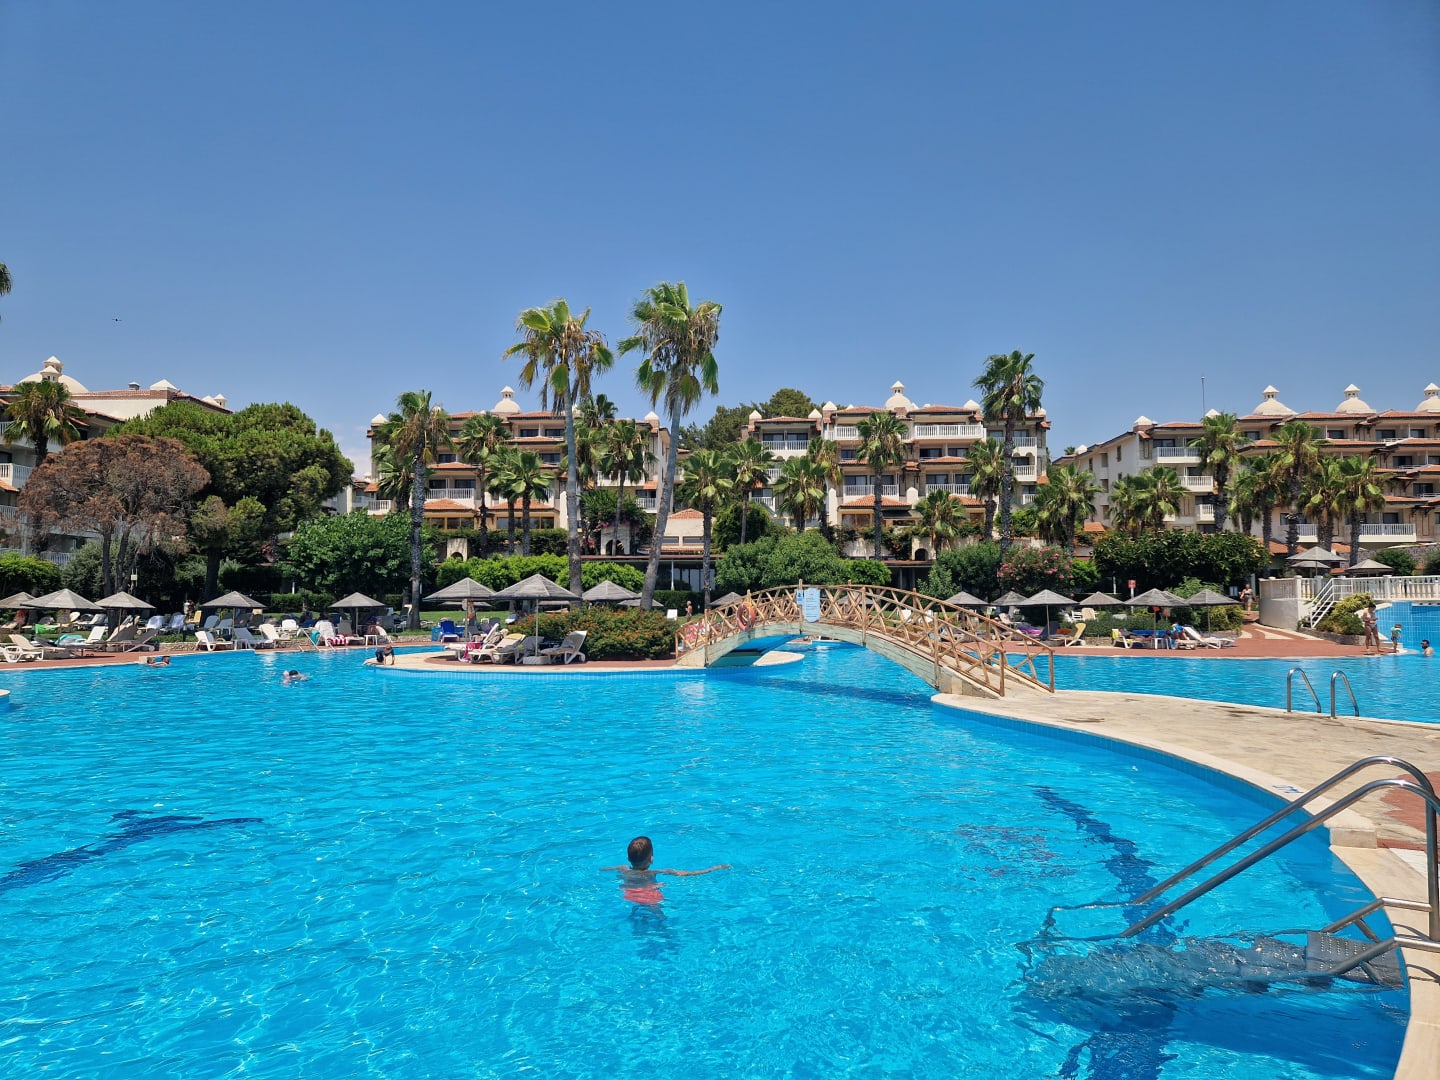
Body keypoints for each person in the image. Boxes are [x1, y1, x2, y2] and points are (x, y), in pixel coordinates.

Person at [602, 836, 729, 906]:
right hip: (650, 897)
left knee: (637, 910)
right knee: (660, 918)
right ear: (651, 859)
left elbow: (604, 869)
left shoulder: (623, 869)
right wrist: (712, 869)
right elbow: (685, 874)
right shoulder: (653, 872)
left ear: (628, 858)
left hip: (630, 894)